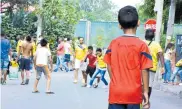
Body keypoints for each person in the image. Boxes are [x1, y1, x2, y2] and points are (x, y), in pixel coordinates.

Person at [104, 6, 153, 109]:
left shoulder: (113, 44)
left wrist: (116, 81)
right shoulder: (142, 46)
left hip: (116, 92)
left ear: (119, 26)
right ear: (138, 23)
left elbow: (109, 65)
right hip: (134, 94)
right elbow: (145, 70)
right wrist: (145, 92)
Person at [144, 29, 165, 97]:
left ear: (145, 35)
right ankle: (146, 100)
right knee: (149, 85)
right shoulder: (156, 44)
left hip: (141, 68)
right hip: (152, 68)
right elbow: (161, 54)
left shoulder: (141, 42)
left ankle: (139, 101)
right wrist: (162, 66)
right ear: (153, 36)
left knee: (141, 84)